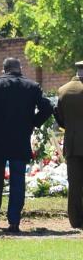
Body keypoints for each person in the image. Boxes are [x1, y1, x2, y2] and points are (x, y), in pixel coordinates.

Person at [0, 57, 53, 233]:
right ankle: (14, 221)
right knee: (18, 180)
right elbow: (48, 108)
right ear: (20, 68)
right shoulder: (32, 86)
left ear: (4, 69)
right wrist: (33, 123)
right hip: (19, 139)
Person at [54, 60, 83, 229]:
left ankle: (76, 220)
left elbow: (60, 118)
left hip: (72, 143)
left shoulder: (63, 90)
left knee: (74, 184)